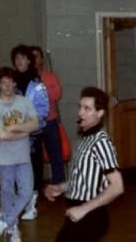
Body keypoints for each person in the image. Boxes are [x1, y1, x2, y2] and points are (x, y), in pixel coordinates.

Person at [45, 87, 124, 242]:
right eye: (80, 107)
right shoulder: (85, 140)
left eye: (87, 108)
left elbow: (117, 186)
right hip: (76, 212)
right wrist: (60, 187)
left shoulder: (101, 142)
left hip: (91, 216)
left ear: (100, 113)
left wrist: (83, 209)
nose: (80, 112)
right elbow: (83, 178)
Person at [0, 67, 39, 242]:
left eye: (10, 82)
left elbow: (36, 124)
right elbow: (1, 135)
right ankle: (11, 229)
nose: (7, 85)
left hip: (23, 156)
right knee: (7, 194)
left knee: (26, 192)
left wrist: (14, 127)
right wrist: (24, 131)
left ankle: (2, 224)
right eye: (3, 82)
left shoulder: (25, 102)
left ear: (15, 84)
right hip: (4, 158)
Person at [11, 44, 49, 220]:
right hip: (15, 133)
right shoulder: (10, 82)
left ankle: (31, 205)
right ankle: (20, 202)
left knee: (32, 167)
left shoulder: (37, 84)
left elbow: (43, 108)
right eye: (16, 58)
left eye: (22, 58)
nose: (19, 61)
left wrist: (30, 124)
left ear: (29, 61)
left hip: (32, 133)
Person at [32, 46, 65, 186]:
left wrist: (40, 93)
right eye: (31, 56)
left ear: (42, 59)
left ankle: (59, 184)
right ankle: (35, 187)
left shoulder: (50, 76)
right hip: (32, 123)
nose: (34, 59)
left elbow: (56, 95)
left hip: (50, 121)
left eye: (37, 56)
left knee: (56, 155)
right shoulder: (27, 78)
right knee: (34, 157)